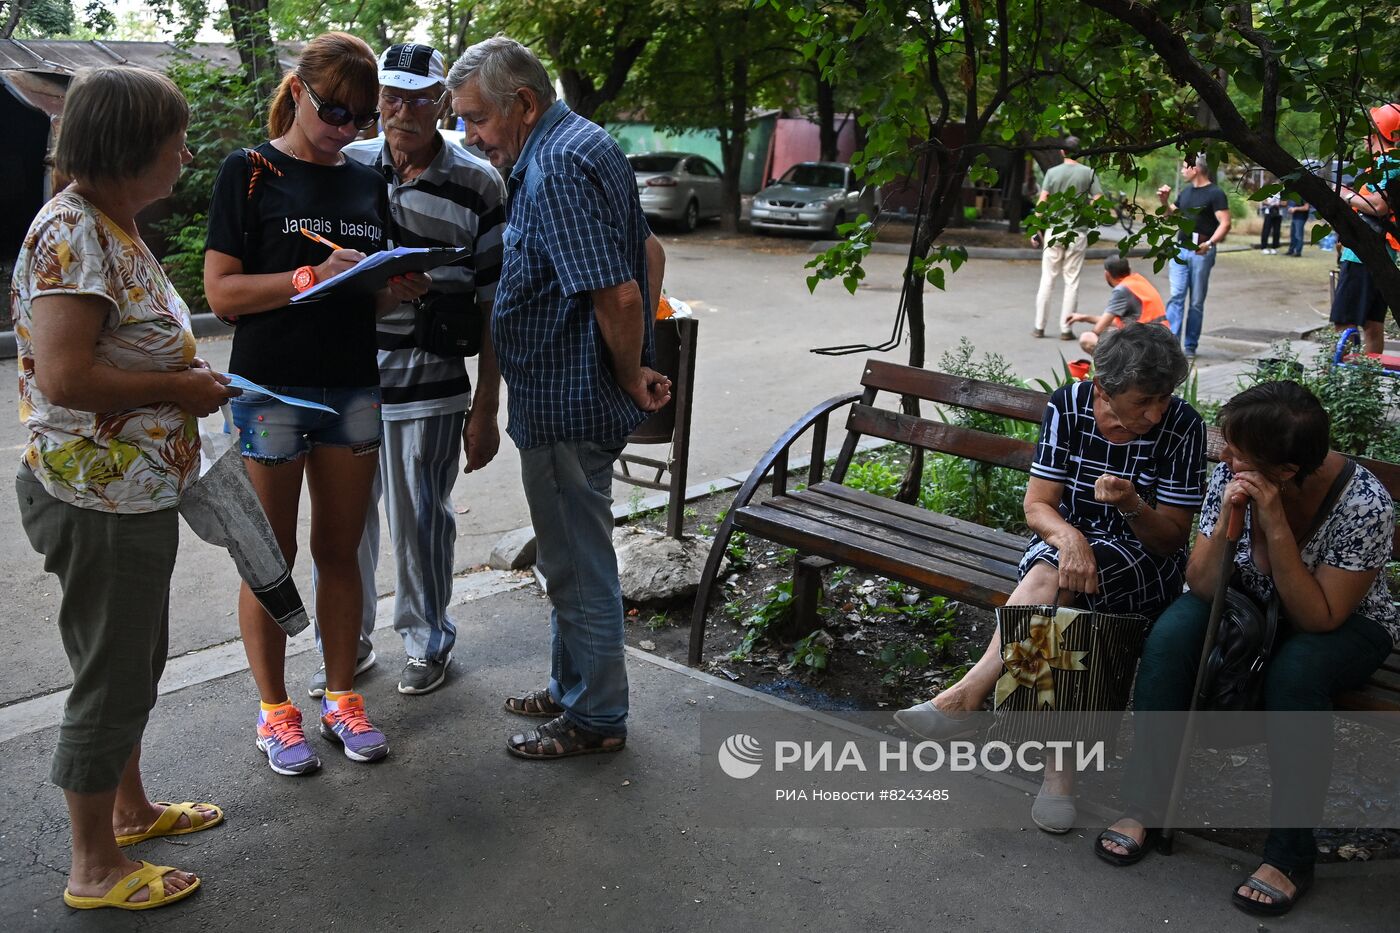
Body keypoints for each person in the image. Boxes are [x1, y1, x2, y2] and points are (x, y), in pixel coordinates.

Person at [13, 65, 236, 911]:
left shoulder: (112, 223)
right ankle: (93, 866)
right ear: (129, 147)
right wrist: (180, 390)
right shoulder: (72, 232)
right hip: (93, 496)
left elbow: (126, 349)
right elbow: (67, 376)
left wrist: (182, 379)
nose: (185, 153)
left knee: (133, 661)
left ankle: (131, 812)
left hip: (130, 490)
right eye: (174, 140)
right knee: (111, 674)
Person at [203, 32, 430, 776]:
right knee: (272, 557)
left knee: (342, 550)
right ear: (297, 91)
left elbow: (367, 280)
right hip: (272, 387)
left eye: (361, 119)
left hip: (353, 386)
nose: (346, 129)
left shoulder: (365, 180)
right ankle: (276, 714)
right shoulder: (251, 170)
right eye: (334, 111)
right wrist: (307, 277)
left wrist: (390, 285)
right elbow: (222, 293)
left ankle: (341, 698)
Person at [1095, 381, 1397, 918]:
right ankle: (1148, 804)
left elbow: (1319, 616)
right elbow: (1204, 584)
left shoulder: (1365, 502)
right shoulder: (1233, 476)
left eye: (1237, 450)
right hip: (1242, 603)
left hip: (1341, 623)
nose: (1223, 455)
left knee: (1296, 674)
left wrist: (1276, 525)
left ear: (1283, 471)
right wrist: (1234, 521)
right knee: (1168, 639)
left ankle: (1289, 853)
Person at [448, 35, 670, 759]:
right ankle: (573, 684)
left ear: (525, 104)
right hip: (574, 397)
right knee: (572, 557)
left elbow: (619, 290)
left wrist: (628, 368)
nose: (470, 137)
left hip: (566, 403)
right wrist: (630, 373)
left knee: (577, 565)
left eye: (476, 119)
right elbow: (650, 250)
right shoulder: (583, 141)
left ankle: (596, 716)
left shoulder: (556, 166)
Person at [896, 324, 1205, 830]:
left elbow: (1170, 538)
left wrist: (1130, 504)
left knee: (1054, 588)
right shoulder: (1071, 405)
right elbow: (1038, 506)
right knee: (1059, 591)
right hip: (1065, 544)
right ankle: (1054, 774)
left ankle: (971, 698)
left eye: (1163, 397)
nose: (1155, 412)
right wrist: (1070, 541)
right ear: (1102, 388)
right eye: (1143, 399)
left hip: (1144, 559)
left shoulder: (1183, 426)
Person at [305, 42, 507, 698]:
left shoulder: (479, 182)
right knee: (345, 523)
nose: (401, 110)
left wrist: (485, 408)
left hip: (432, 382)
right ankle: (346, 646)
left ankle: (427, 638)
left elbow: (492, 303)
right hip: (349, 376)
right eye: (391, 96)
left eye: (419, 98)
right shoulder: (349, 165)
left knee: (421, 518)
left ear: (441, 102)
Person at [1327, 103, 1399, 356]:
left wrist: (1344, 195)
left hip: (1363, 256)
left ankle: (1347, 381)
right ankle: (1365, 386)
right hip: (1380, 253)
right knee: (1372, 324)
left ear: (1382, 132)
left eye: (1370, 131)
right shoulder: (1385, 165)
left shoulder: (1390, 164)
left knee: (1345, 321)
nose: (1366, 138)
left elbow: (1378, 206)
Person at [1158, 153, 1231, 362]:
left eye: (1184, 166)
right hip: (1180, 249)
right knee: (1177, 295)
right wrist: (1164, 201)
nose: (1182, 170)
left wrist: (1209, 244)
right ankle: (1171, 346)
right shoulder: (1186, 192)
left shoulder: (1215, 193)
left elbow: (1225, 223)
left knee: (1196, 301)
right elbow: (1171, 214)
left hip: (1202, 250)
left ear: (1196, 168)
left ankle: (1190, 345)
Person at [1032, 136, 1103, 340]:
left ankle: (1039, 327)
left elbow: (1042, 202)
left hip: (1054, 231)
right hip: (1077, 232)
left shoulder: (1052, 173)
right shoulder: (1088, 173)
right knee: (1071, 281)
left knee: (1047, 279)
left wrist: (1036, 230)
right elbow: (1099, 199)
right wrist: (1085, 210)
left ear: (1062, 152)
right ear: (1078, 152)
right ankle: (1066, 329)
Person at [1065, 256, 1167, 355]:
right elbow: (1117, 322)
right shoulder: (1138, 281)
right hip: (1161, 340)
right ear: (1129, 269)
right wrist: (1085, 318)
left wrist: (1095, 332)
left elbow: (1098, 329)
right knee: (1113, 332)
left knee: (1087, 338)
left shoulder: (1122, 289)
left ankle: (1114, 369)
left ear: (1107, 275)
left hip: (1145, 344)